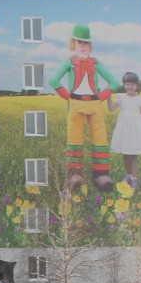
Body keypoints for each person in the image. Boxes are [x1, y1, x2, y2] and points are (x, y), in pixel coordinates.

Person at [49, 23, 119, 193]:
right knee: (75, 140)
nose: (82, 46)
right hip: (76, 105)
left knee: (100, 140)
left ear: (90, 46)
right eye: (79, 43)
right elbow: (54, 80)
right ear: (73, 44)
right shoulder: (70, 61)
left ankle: (101, 175)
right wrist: (69, 97)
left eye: (86, 43)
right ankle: (75, 175)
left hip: (94, 105)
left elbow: (115, 82)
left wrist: (100, 98)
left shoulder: (96, 62)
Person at [107, 71, 141, 189]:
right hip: (124, 128)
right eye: (127, 84)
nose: (130, 86)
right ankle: (128, 176)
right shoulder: (121, 97)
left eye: (132, 84)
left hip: (135, 128)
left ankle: (134, 178)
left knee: (134, 153)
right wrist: (108, 98)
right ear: (124, 85)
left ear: (137, 86)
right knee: (125, 153)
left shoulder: (140, 98)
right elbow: (111, 109)